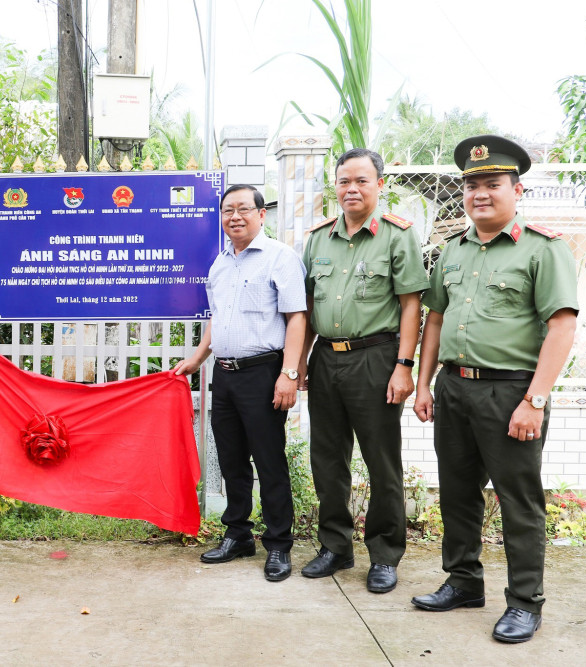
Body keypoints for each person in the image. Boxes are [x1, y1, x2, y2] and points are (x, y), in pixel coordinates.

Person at [412, 135, 578, 643]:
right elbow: (434, 319)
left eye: (492, 184)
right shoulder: (453, 252)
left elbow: (562, 327)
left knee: (518, 501)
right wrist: (424, 383)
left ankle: (525, 602)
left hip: (511, 395)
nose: (480, 193)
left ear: (517, 189)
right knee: (458, 495)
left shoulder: (543, 250)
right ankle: (463, 582)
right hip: (456, 389)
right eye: (473, 185)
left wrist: (535, 400)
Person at [298, 148, 429, 593]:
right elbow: (307, 310)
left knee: (381, 460)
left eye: (361, 181)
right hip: (326, 359)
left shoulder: (397, 236)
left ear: (380, 185)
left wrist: (403, 367)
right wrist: (298, 366)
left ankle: (385, 554)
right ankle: (335, 546)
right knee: (328, 460)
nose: (351, 189)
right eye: (343, 181)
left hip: (376, 358)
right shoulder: (318, 238)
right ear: (335, 186)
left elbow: (411, 304)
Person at [175, 184, 307, 582]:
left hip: (264, 373)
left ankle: (279, 545)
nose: (235, 216)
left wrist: (289, 374)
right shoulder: (220, 264)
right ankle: (238, 535)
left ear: (261, 214)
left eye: (243, 209)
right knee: (230, 459)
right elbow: (217, 319)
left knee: (268, 461)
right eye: (228, 209)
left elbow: (297, 318)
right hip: (225, 375)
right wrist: (199, 357)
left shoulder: (280, 259)